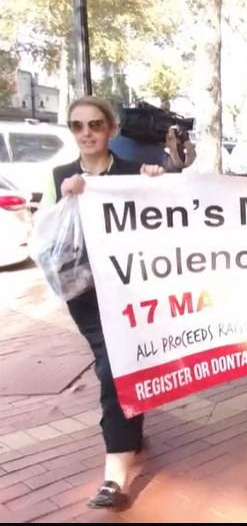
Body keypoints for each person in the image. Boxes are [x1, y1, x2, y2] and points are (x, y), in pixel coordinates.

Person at [40, 96, 166, 508]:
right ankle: (126, 434)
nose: (87, 133)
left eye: (95, 124)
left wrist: (156, 185)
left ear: (111, 129)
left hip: (133, 291)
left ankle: (115, 476)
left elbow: (168, 225)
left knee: (119, 367)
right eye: (77, 126)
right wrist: (63, 198)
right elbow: (43, 239)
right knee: (113, 366)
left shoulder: (133, 174)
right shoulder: (59, 175)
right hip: (87, 296)